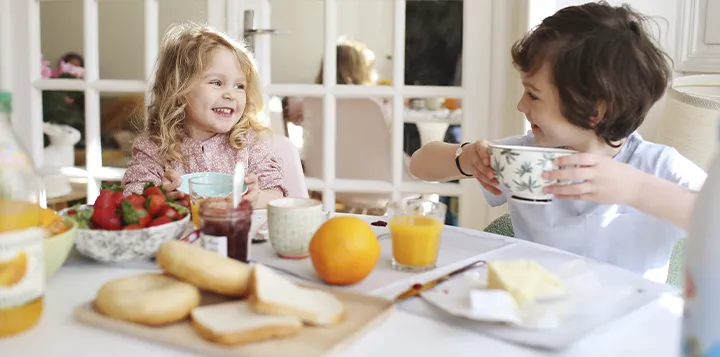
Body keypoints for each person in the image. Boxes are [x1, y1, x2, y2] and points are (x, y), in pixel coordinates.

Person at [408, 1, 707, 283]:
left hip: (630, 330)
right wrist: (465, 158)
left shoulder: (656, 166)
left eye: (534, 95)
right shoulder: (525, 157)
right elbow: (420, 165)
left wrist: (636, 189)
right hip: (536, 315)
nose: (521, 106)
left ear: (595, 110)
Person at [122, 22, 287, 208]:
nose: (230, 94)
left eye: (239, 86)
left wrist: (255, 198)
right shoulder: (153, 148)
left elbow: (277, 195)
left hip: (235, 235)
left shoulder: (248, 143)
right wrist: (160, 196)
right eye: (216, 82)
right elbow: (132, 197)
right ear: (178, 90)